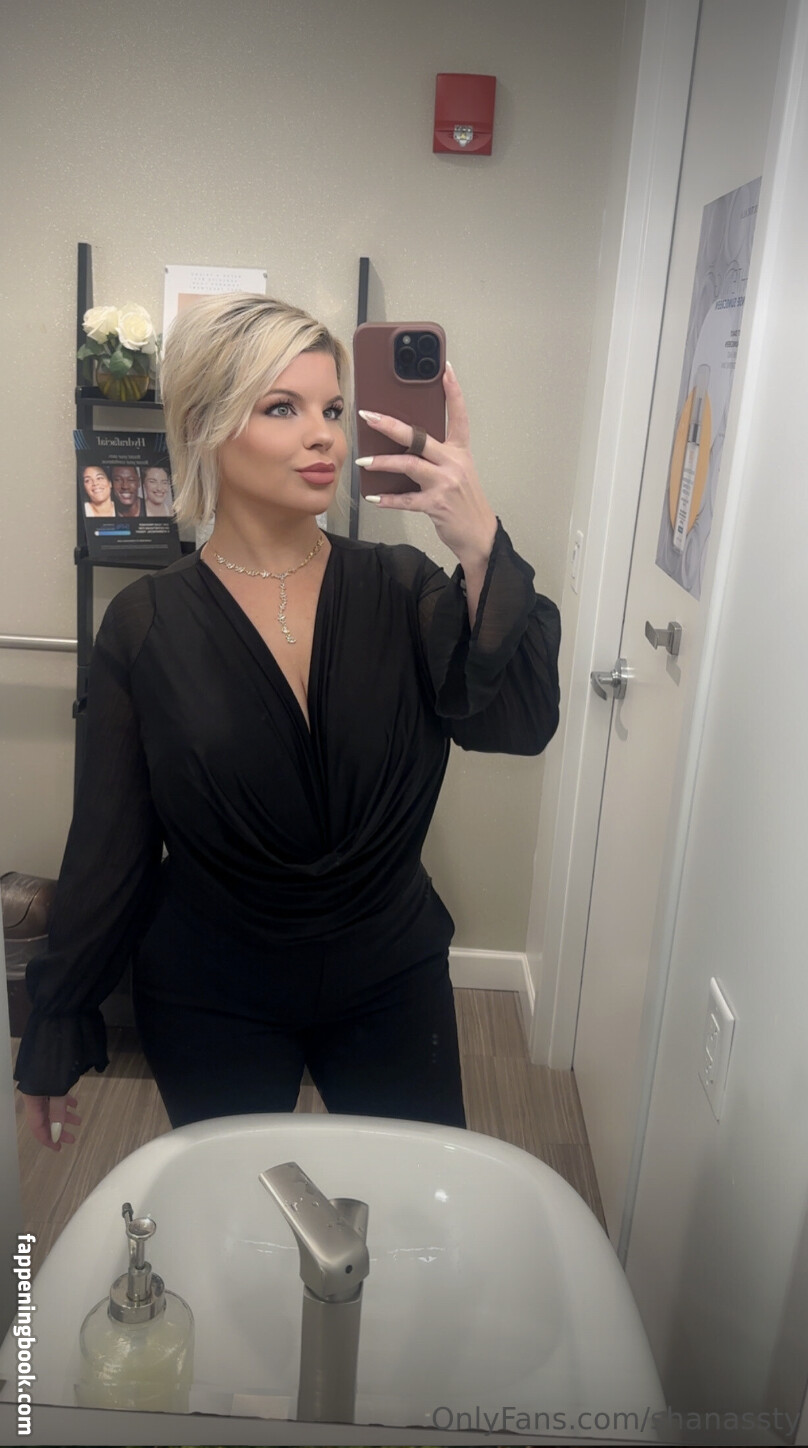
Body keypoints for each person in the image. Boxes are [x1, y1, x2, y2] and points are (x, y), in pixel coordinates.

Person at [15, 293, 561, 1152]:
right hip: (210, 990)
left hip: (391, 974)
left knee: (413, 1198)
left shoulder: (404, 588)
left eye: (333, 411)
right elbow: (110, 842)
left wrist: (481, 541)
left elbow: (519, 723)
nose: (325, 438)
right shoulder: (146, 624)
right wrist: (58, 1021)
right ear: (206, 427)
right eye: (283, 408)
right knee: (236, 1204)